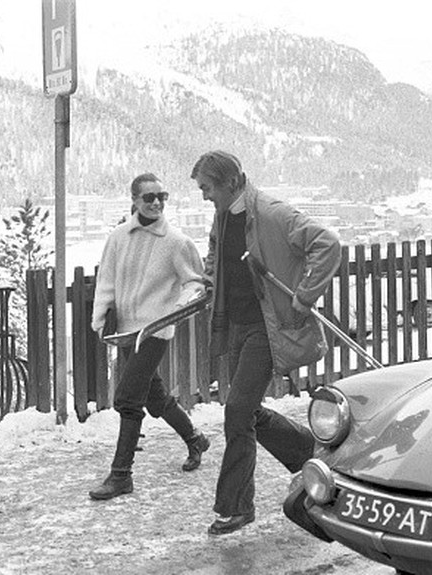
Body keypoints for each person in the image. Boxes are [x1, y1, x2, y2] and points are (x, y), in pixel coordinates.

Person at [191, 151, 341, 535]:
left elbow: (328, 244)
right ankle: (309, 453)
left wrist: (305, 295)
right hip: (238, 324)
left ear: (229, 183)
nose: (205, 196)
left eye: (207, 188)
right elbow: (214, 253)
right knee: (248, 411)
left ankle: (236, 507)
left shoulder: (273, 213)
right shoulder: (224, 214)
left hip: (265, 327)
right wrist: (211, 279)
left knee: (238, 412)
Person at [88, 172, 210, 501]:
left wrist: (178, 307)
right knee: (154, 397)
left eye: (162, 196)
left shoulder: (176, 243)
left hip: (155, 332)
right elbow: (107, 279)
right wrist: (101, 316)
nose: (156, 202)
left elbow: (195, 283)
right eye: (149, 197)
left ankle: (121, 475)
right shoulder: (118, 237)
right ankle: (195, 438)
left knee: (128, 399)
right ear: (134, 201)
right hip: (128, 331)